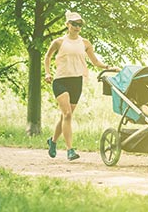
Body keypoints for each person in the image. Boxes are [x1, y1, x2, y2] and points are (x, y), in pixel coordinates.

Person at [44, 11, 114, 160]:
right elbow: (47, 56)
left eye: (80, 24)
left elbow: (95, 62)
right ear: (67, 25)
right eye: (74, 24)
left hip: (76, 81)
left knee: (66, 116)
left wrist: (108, 67)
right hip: (60, 80)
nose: (77, 27)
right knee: (67, 114)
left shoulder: (85, 43)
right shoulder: (59, 42)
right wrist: (47, 73)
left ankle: (53, 141)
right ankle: (70, 150)